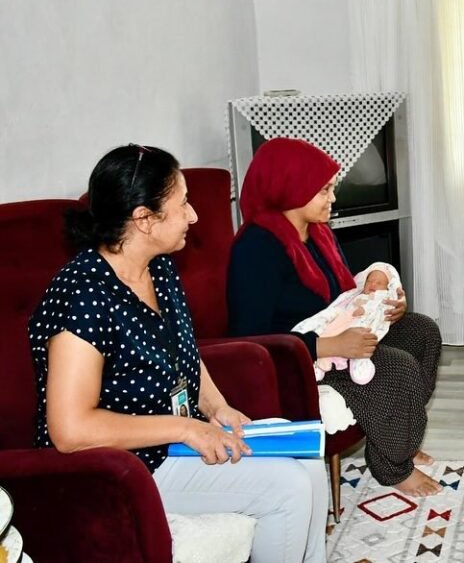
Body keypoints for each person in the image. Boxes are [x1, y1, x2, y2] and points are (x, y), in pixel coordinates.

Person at [28, 144, 328, 563]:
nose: (194, 215)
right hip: (120, 468)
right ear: (144, 219)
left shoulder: (159, 267)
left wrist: (218, 407)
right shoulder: (83, 296)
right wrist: (186, 429)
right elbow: (70, 429)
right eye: (183, 203)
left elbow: (183, 351)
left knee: (306, 462)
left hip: (171, 442)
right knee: (287, 488)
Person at [227, 138, 442, 497]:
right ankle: (394, 467)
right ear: (291, 188)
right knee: (398, 366)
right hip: (300, 358)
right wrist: (330, 345)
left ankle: (398, 439)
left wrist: (385, 302)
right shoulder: (257, 247)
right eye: (324, 190)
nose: (333, 198)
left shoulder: (317, 232)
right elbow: (250, 335)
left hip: (339, 333)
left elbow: (341, 293)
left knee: (422, 331)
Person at [300, 263, 401, 384]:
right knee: (327, 331)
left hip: (362, 325)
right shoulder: (357, 295)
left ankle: (357, 362)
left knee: (422, 328)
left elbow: (380, 308)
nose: (373, 284)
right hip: (343, 323)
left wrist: (397, 301)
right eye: (369, 281)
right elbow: (344, 305)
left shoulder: (381, 298)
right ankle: (319, 365)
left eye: (379, 283)